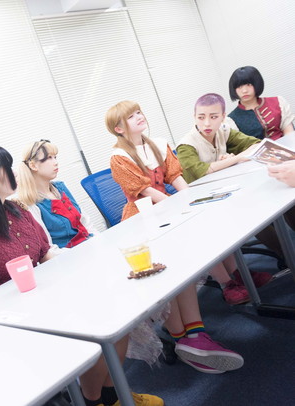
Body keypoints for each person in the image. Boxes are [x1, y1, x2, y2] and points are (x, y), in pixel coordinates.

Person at [0, 145, 163, 406]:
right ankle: (92, 400)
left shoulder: (17, 210)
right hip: (23, 320)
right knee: (99, 331)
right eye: (7, 168)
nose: (15, 173)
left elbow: (44, 252)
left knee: (119, 319)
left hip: (51, 296)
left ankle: (110, 395)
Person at [106, 101, 244, 373]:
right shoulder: (118, 157)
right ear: (119, 129)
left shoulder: (157, 144)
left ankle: (193, 335)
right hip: (142, 219)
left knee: (184, 269)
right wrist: (180, 208)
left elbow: (176, 179)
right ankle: (184, 338)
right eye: (131, 117)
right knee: (167, 275)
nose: (139, 117)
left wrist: (194, 201)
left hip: (168, 211)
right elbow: (148, 193)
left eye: (139, 112)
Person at [176, 93, 273, 302]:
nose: (207, 123)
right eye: (201, 117)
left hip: (220, 195)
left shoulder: (224, 131)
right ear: (194, 117)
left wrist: (227, 159)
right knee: (215, 230)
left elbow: (257, 143)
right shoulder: (186, 145)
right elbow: (201, 171)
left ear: (223, 117)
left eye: (213, 117)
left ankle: (239, 274)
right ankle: (227, 283)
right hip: (195, 204)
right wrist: (235, 159)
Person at [227, 66, 295, 140]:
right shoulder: (232, 119)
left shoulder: (278, 102)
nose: (244, 91)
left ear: (257, 84)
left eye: (249, 85)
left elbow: (289, 132)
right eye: (239, 87)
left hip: (286, 145)